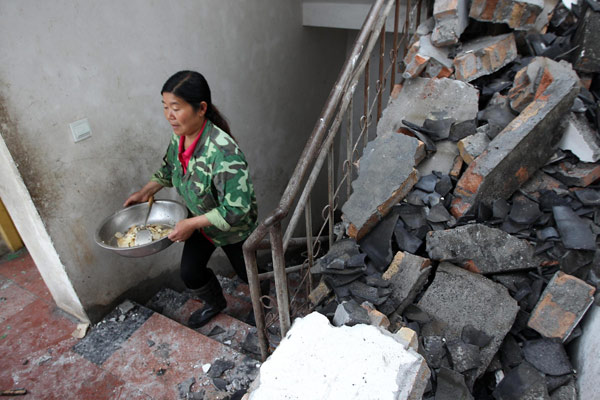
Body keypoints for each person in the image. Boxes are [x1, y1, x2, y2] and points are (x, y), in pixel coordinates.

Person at [124, 70, 258, 329]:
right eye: (165, 107)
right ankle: (216, 303)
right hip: (201, 221)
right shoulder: (180, 137)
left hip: (234, 229)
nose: (169, 116)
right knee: (190, 273)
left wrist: (191, 225)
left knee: (250, 275)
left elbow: (237, 209)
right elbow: (168, 169)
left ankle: (262, 307)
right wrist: (146, 191)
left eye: (176, 108)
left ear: (201, 108)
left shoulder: (224, 153)